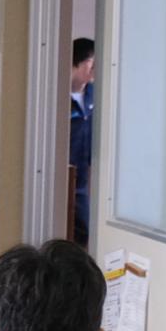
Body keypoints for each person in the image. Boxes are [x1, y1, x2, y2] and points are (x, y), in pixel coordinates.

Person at [67, 36, 96, 246]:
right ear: (77, 62)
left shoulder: (95, 94)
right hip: (66, 175)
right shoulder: (59, 94)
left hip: (85, 178)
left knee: (85, 232)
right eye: (91, 62)